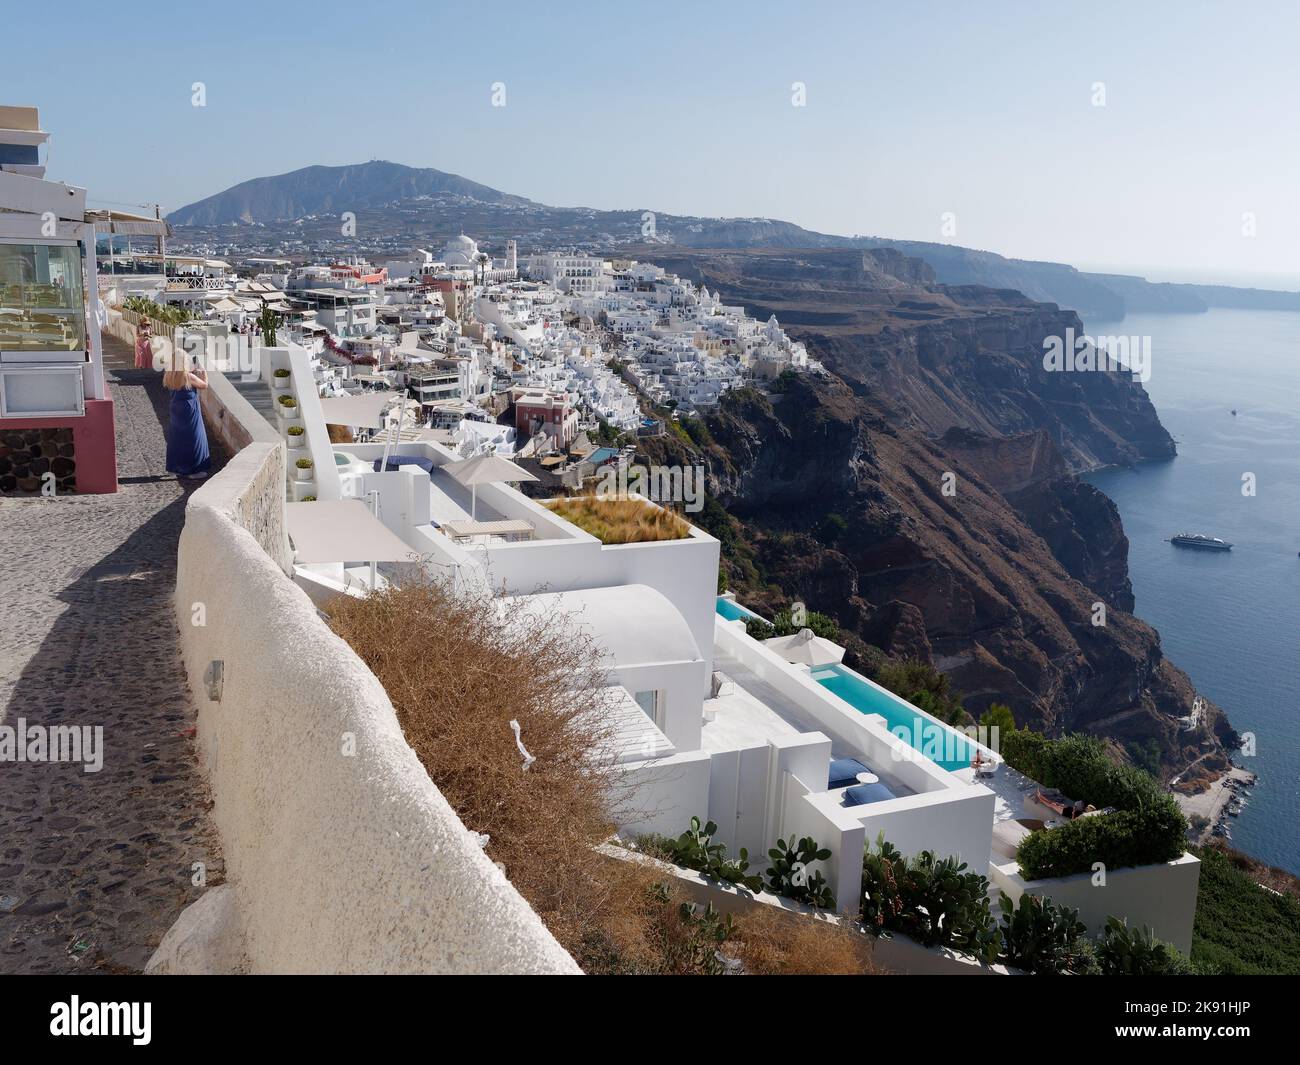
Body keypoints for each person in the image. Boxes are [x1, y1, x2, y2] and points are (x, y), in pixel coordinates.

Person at [163, 360, 211, 479]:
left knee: (176, 437)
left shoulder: (169, 375)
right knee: (194, 437)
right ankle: (194, 470)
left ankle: (175, 468)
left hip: (175, 407)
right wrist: (204, 371)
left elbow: (179, 380)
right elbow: (204, 385)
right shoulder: (188, 377)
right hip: (189, 409)